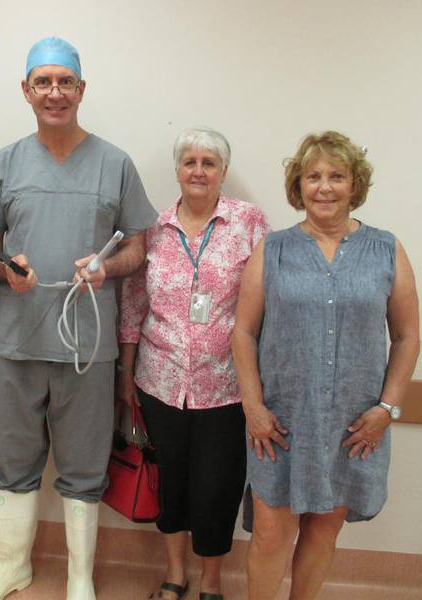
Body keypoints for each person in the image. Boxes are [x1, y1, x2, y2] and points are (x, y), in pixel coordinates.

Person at [0, 37, 157, 600]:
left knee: (84, 466)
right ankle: (12, 568)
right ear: (26, 91)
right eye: (42, 82)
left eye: (64, 81)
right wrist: (7, 269)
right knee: (15, 461)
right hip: (18, 343)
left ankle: (78, 577)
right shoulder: (6, 163)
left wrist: (105, 266)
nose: (54, 92)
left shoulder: (115, 163)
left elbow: (137, 251)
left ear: (81, 90)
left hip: (87, 349)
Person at [232, 131, 420, 600]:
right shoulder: (272, 250)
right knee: (273, 533)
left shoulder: (386, 251)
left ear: (355, 184)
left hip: (352, 427)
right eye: (313, 176)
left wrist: (387, 409)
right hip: (280, 424)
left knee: (322, 533)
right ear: (299, 186)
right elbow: (244, 332)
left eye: (337, 176)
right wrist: (252, 406)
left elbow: (407, 337)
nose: (325, 187)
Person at [117, 127, 269, 600]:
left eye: (209, 162)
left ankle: (212, 583)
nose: (198, 170)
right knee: (173, 484)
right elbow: (133, 303)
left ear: (224, 172)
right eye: (190, 162)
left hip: (227, 385)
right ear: (178, 170)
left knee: (217, 489)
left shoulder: (250, 223)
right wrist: (126, 373)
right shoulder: (155, 228)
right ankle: (174, 574)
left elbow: (270, 301)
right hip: (159, 382)